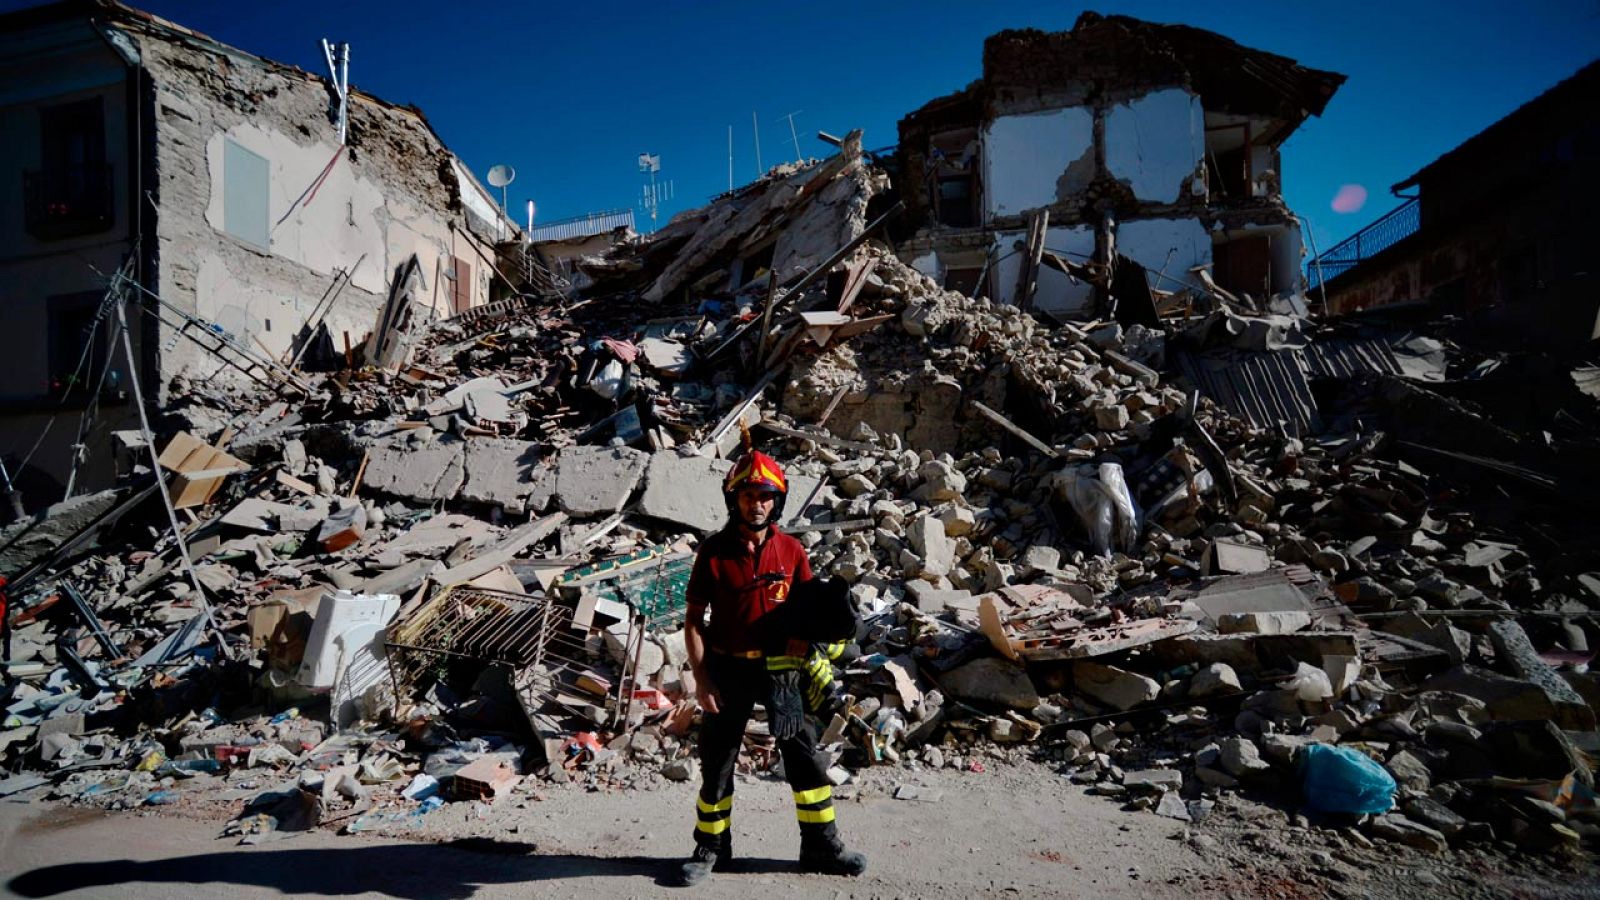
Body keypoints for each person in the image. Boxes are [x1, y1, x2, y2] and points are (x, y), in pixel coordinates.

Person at [676, 444, 867, 886]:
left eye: (765, 496)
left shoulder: (791, 550)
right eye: (748, 496)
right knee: (717, 762)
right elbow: (693, 621)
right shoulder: (714, 552)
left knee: (805, 758)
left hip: (782, 672)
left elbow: (805, 608)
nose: (756, 504)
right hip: (727, 670)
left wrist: (809, 636)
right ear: (733, 499)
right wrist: (702, 679)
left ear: (776, 501)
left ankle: (821, 845)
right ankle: (710, 849)